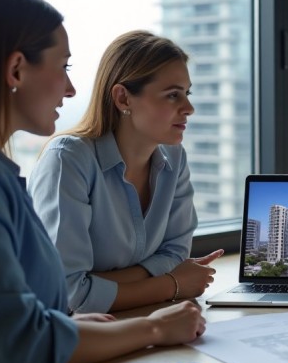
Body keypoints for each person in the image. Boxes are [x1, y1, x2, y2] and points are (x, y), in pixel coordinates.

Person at [0, 0, 205, 363]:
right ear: (17, 69)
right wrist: (154, 328)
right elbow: (22, 346)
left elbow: (24, 311)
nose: (72, 88)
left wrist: (65, 324)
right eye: (63, 66)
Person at [28, 30, 224, 314]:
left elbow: (176, 253)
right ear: (123, 99)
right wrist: (172, 285)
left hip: (134, 317)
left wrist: (100, 285)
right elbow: (68, 295)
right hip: (76, 337)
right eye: (172, 95)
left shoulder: (175, 158)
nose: (189, 108)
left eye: (187, 93)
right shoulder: (68, 160)